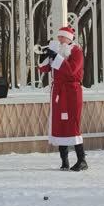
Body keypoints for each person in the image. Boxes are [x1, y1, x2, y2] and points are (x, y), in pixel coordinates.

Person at [38, 26, 88, 171]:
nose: (59, 39)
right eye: (58, 37)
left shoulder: (76, 51)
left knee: (72, 124)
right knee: (59, 124)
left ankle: (82, 160)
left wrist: (56, 56)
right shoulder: (58, 52)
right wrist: (44, 55)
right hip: (58, 91)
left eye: (62, 37)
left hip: (72, 92)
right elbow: (43, 69)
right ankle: (64, 161)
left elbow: (72, 70)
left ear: (69, 38)